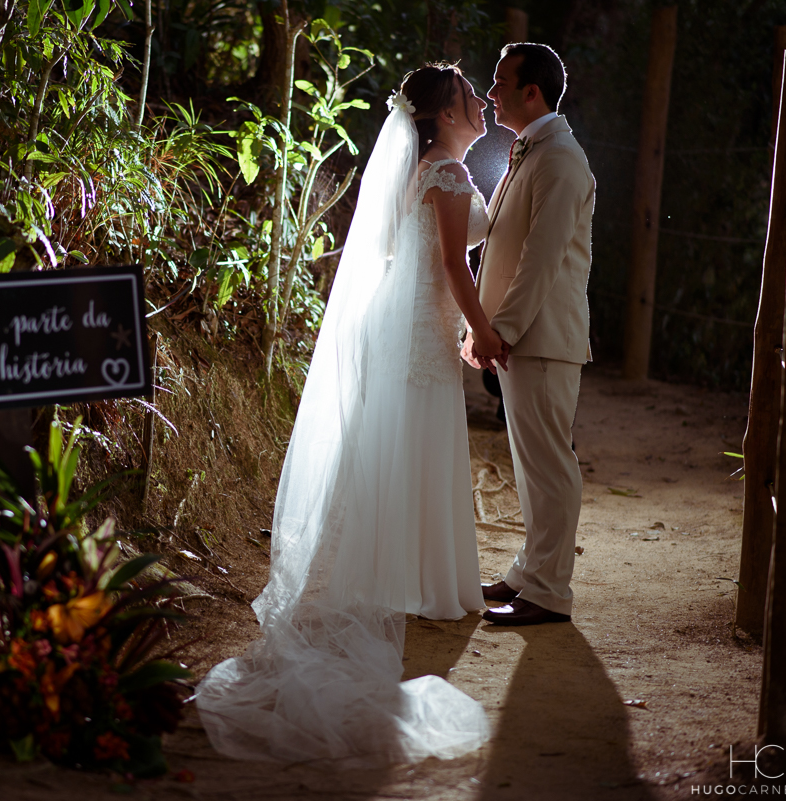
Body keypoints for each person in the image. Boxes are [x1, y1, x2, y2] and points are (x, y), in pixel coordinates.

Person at [194, 64, 503, 766]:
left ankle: (399, 575)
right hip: (421, 324)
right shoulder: (448, 174)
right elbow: (454, 264)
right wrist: (481, 329)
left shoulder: (421, 170)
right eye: (468, 99)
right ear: (442, 115)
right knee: (418, 441)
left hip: (401, 319)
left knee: (400, 443)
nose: (480, 106)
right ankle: (427, 580)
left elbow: (406, 250)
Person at [463, 43, 595, 627]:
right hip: (523, 337)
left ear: (531, 92)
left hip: (542, 336)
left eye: (500, 82)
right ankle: (527, 574)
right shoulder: (533, 151)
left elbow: (541, 258)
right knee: (530, 465)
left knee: (549, 465)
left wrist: (502, 329)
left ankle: (549, 592)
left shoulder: (560, 158)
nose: (491, 92)